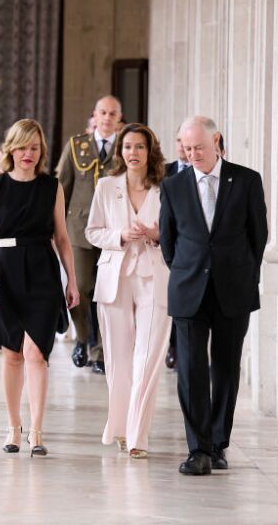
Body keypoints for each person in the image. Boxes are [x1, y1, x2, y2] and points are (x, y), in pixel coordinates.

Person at [160, 116, 268, 476]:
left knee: (225, 368)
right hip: (188, 288)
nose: (193, 155)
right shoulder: (173, 186)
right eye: (187, 148)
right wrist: (186, 271)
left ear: (217, 141)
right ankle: (198, 449)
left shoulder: (247, 180)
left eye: (199, 147)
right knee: (190, 370)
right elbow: (168, 242)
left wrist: (243, 275)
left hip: (233, 287)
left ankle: (219, 444)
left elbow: (258, 236)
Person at [0, 118, 79, 457]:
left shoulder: (52, 187)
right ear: (11, 148)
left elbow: (63, 239)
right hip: (5, 269)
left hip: (42, 272)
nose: (28, 154)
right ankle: (13, 426)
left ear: (42, 152)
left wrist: (73, 282)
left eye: (34, 148)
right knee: (12, 353)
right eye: (22, 147)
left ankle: (37, 430)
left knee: (37, 353)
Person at [85, 123, 171, 459]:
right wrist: (119, 235)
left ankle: (138, 435)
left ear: (150, 152)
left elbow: (176, 234)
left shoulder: (167, 189)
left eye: (139, 147)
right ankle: (120, 428)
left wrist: (155, 233)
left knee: (148, 358)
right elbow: (93, 231)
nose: (132, 153)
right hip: (115, 277)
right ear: (119, 151)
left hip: (154, 276)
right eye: (127, 147)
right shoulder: (106, 187)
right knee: (119, 360)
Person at [56, 95, 124, 374]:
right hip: (79, 230)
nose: (107, 118)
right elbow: (62, 187)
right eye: (102, 113)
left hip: (113, 231)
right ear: (94, 116)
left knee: (106, 292)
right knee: (81, 288)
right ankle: (83, 338)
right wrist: (55, 227)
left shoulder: (126, 146)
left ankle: (101, 351)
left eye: (113, 114)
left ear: (119, 118)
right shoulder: (76, 146)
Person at [163, 132, 190, 369]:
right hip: (169, 245)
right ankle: (172, 346)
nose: (183, 146)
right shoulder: (163, 172)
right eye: (179, 140)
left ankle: (183, 349)